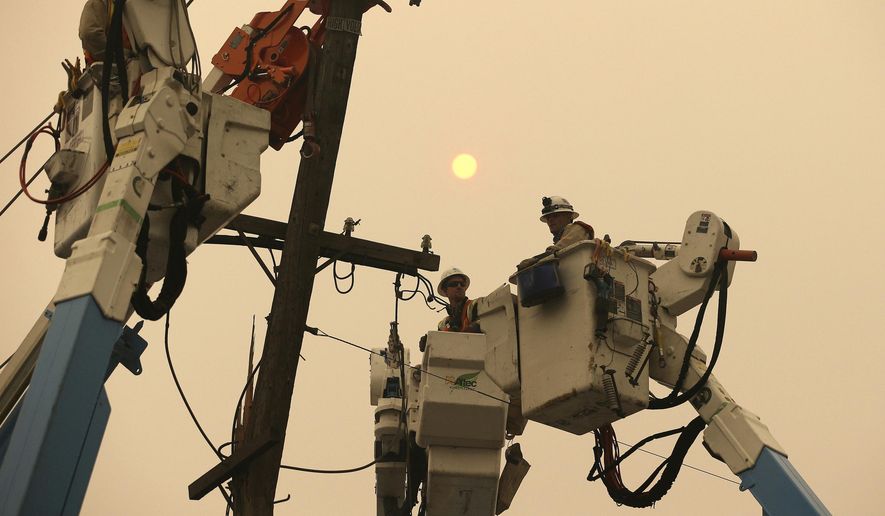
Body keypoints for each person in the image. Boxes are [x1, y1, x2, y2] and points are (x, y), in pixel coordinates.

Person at [518, 196, 595, 270]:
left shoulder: (578, 229)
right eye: (548, 218)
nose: (550, 220)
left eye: (555, 216)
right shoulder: (561, 239)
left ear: (569, 216)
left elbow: (557, 249)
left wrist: (532, 261)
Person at [436, 267, 480, 333]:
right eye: (454, 284)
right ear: (445, 290)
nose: (459, 286)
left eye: (462, 284)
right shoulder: (444, 324)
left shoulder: (474, 306)